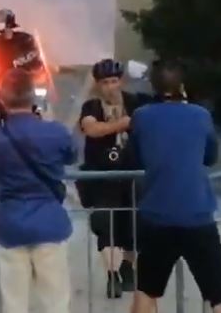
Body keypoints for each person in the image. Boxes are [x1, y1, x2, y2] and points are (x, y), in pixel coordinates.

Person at [129, 60, 221, 313]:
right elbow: (210, 157)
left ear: (153, 85)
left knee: (146, 291)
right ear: (182, 85)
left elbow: (134, 157)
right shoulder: (201, 115)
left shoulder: (142, 117)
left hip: (157, 214)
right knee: (219, 297)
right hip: (197, 214)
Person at [0, 68, 77, 313]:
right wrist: (47, 119)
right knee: (55, 301)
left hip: (11, 224)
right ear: (33, 98)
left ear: (1, 99)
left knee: (14, 302)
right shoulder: (55, 132)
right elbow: (71, 155)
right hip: (49, 222)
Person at [78, 58, 138, 299]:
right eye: (105, 82)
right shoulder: (91, 106)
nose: (111, 86)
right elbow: (91, 129)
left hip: (132, 173)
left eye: (114, 81)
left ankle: (128, 266)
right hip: (101, 176)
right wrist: (125, 123)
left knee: (133, 225)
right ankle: (112, 275)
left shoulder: (134, 102)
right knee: (105, 225)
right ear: (98, 85)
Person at [0, 8, 45, 125]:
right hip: (6, 82)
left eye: (0, 21)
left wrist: (23, 62)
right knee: (7, 115)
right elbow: (1, 63)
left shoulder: (25, 39)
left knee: (32, 112)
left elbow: (35, 57)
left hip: (25, 82)